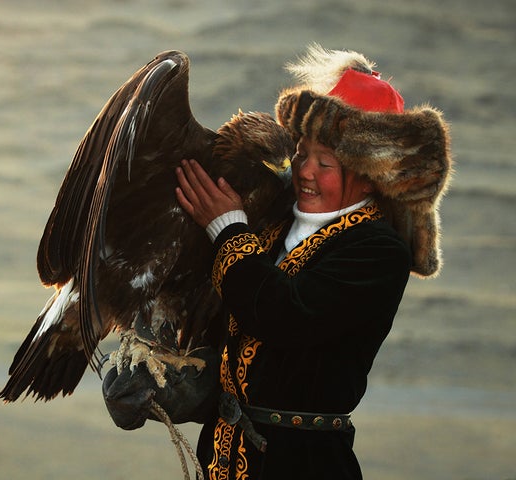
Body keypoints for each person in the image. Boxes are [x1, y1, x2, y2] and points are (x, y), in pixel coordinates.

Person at [102, 45, 452, 479]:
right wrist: (175, 388)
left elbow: (285, 316)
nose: (303, 170)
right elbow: (244, 358)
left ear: (368, 174)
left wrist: (227, 228)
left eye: (324, 162)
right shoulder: (271, 224)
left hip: (304, 465)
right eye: (302, 152)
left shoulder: (377, 251)